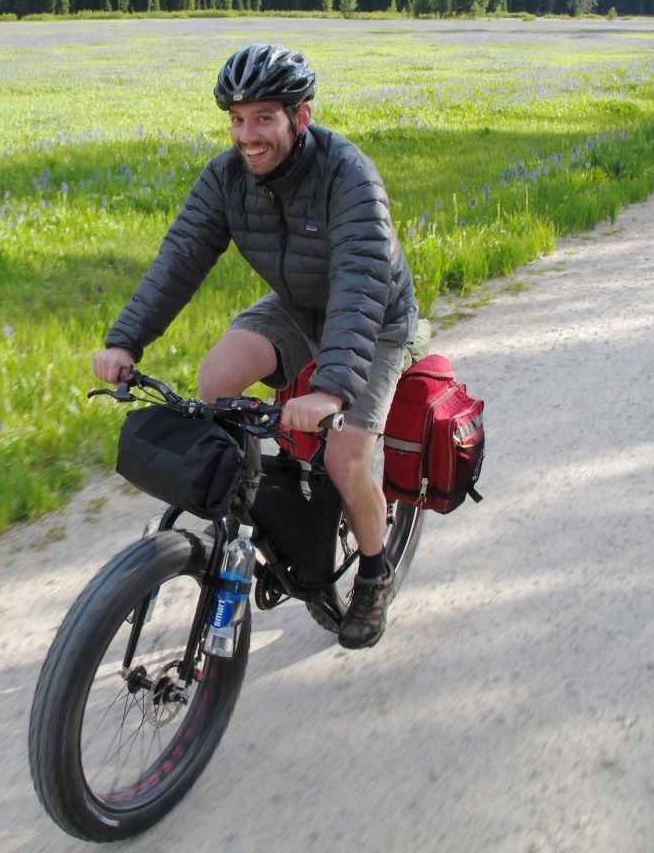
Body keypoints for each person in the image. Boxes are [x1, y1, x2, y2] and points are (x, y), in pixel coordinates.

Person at [92, 43, 418, 650]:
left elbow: (360, 280)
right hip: (295, 306)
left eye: (264, 117)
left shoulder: (350, 178)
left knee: (346, 458)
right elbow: (179, 261)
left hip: (373, 319)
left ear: (302, 117)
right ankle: (270, 513)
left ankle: (375, 574)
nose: (248, 135)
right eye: (237, 119)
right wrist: (125, 340)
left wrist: (330, 390)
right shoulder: (226, 179)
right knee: (215, 382)